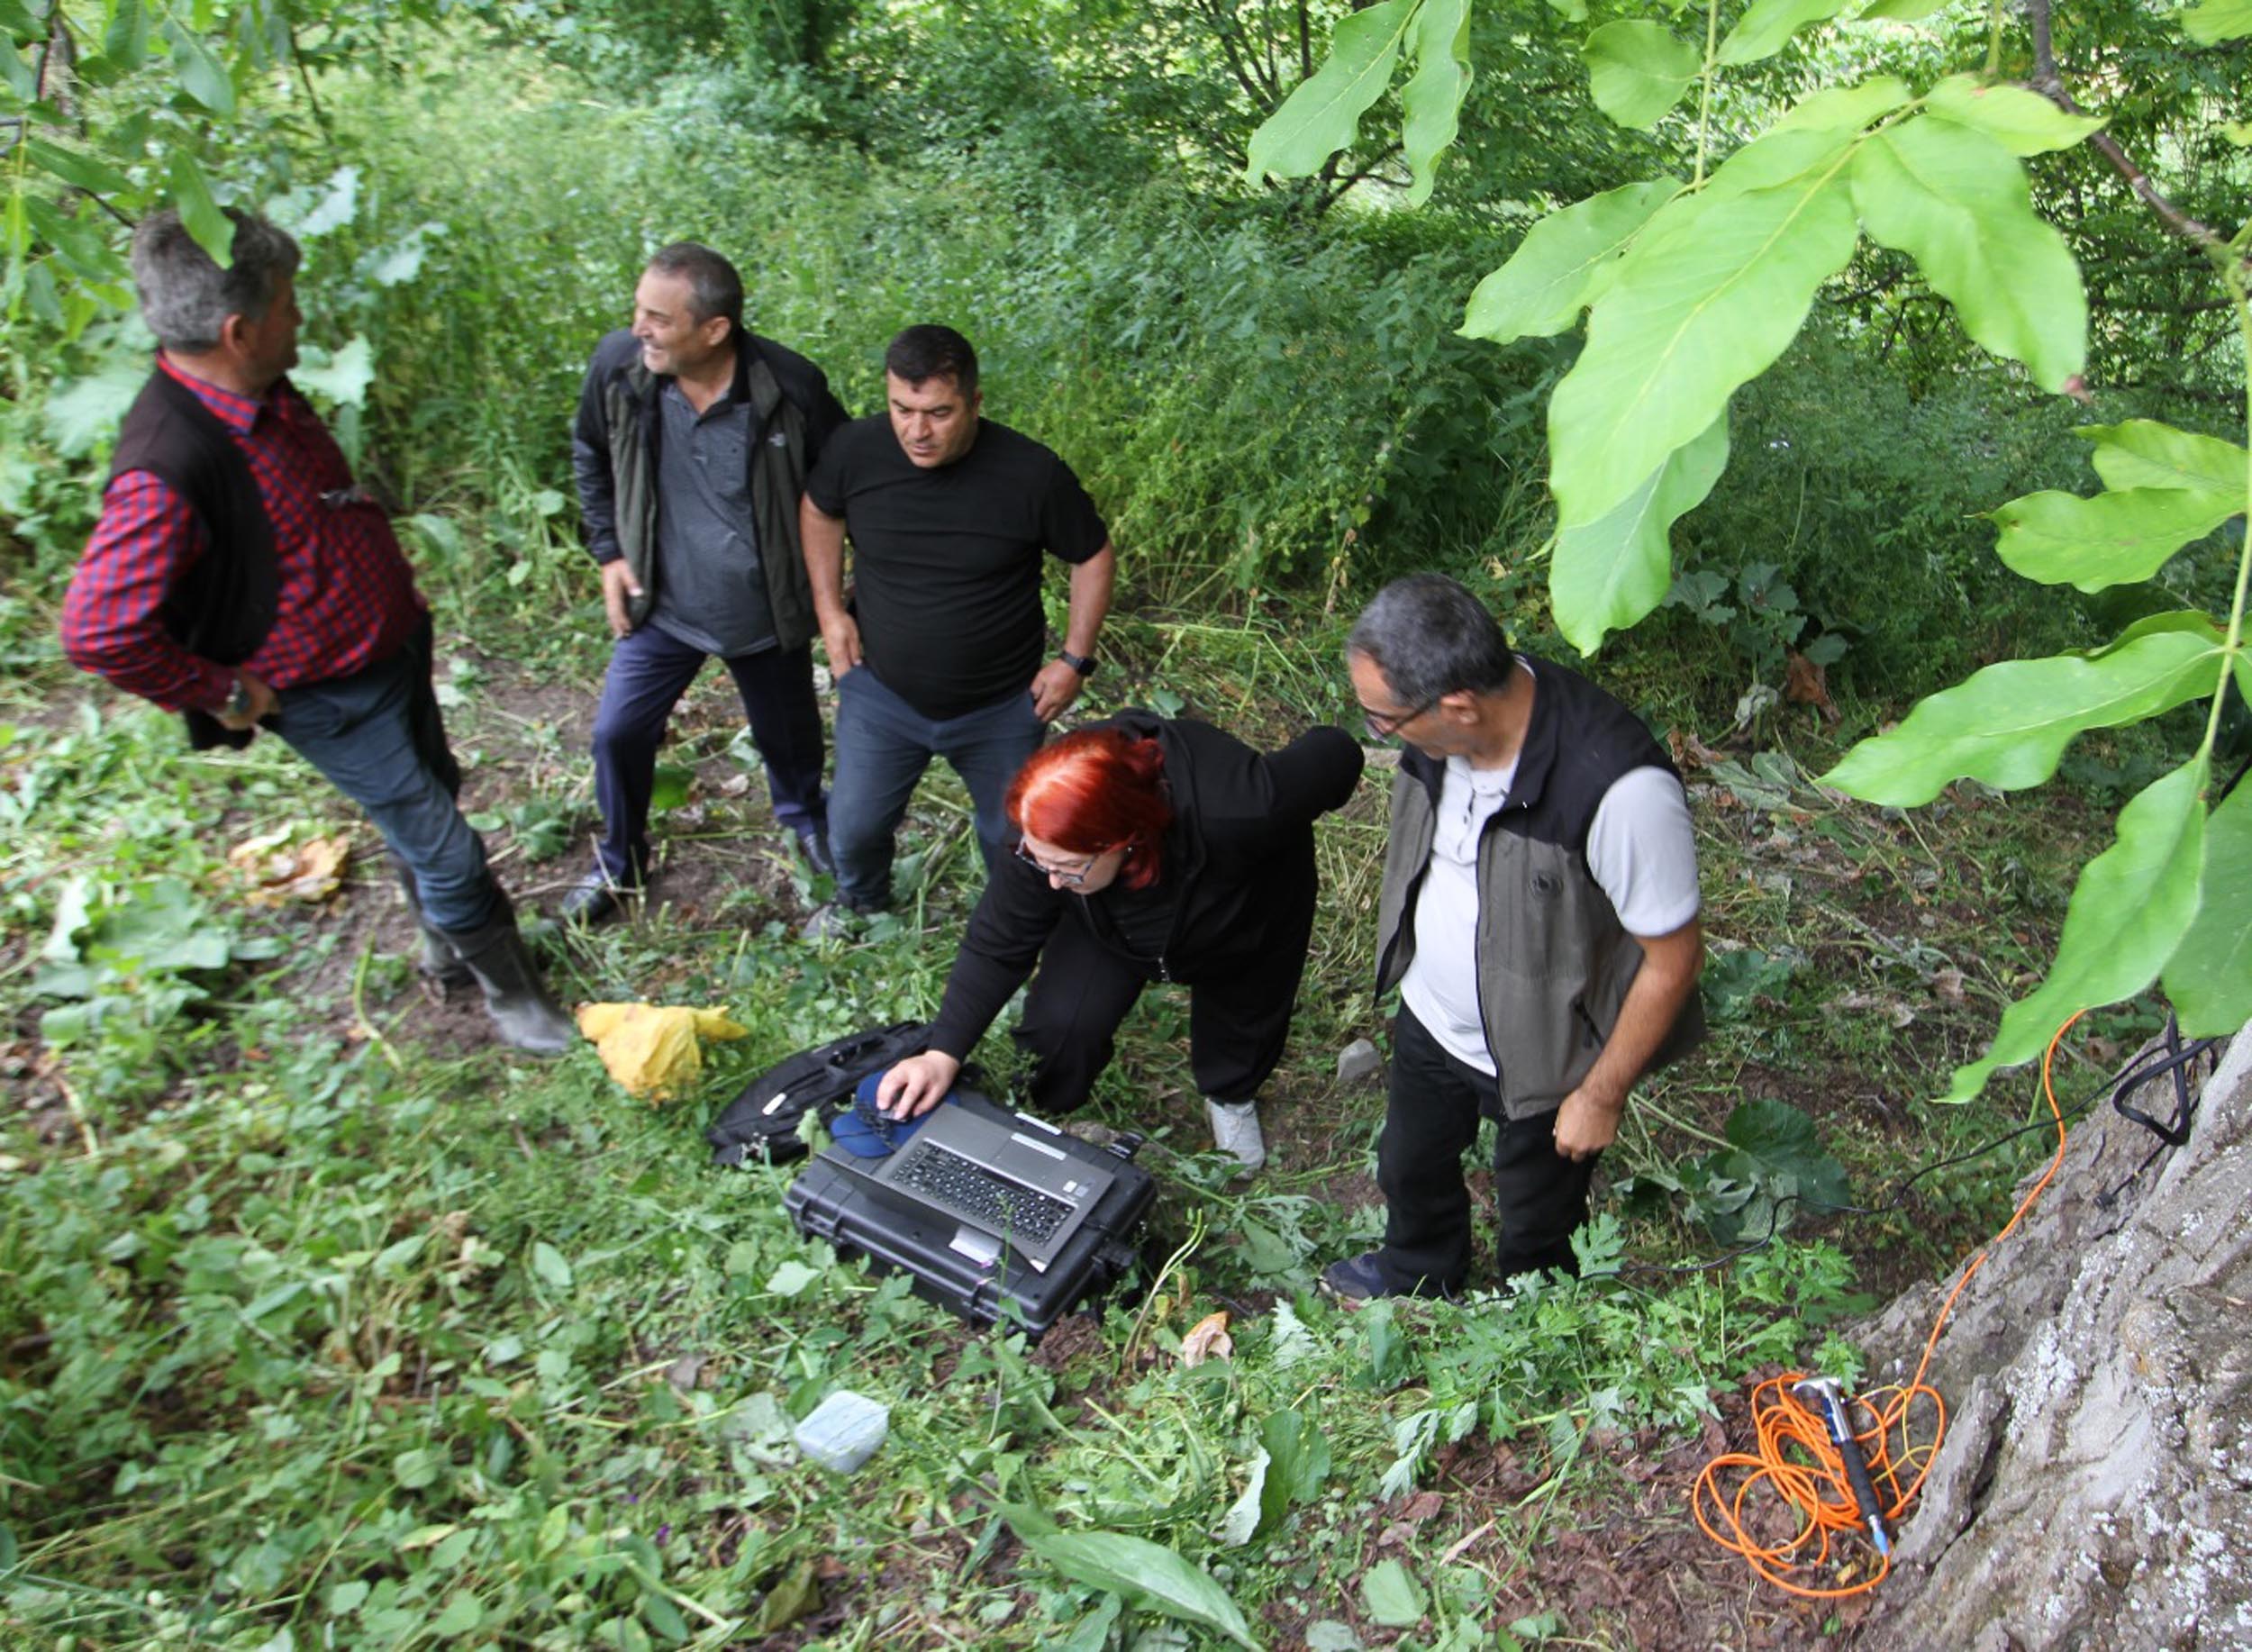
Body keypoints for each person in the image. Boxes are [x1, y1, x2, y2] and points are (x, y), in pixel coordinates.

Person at [59, 208, 575, 1055]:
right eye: (289, 306)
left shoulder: (254, 387)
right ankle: (512, 995)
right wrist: (223, 692)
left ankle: (447, 951)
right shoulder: (169, 464)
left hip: (388, 649)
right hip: (325, 694)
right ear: (238, 330)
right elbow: (99, 629)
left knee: (427, 801)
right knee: (447, 847)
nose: (301, 320)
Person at [1321, 575, 1705, 1299]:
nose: (1378, 734)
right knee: (1409, 1163)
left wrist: (1601, 1094)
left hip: (1551, 1051)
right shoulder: (1440, 738)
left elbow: (1674, 961)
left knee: (1539, 1213)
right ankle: (1418, 1271)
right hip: (1433, 1017)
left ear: (1460, 707)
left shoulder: (1618, 790)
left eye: (1383, 721)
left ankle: (1533, 1314)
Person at [874, 714, 1364, 1173]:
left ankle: (1230, 1096)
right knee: (1060, 1027)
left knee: (1242, 1020)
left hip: (1243, 914)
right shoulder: (1042, 828)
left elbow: (1335, 752)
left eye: (1066, 867)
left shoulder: (1244, 806)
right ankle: (1045, 1108)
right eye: (1040, 862)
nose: (1050, 882)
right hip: (1108, 920)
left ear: (1124, 839)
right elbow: (998, 940)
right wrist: (943, 1052)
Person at [564, 242, 849, 923]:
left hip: (764, 607)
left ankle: (808, 824)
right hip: (661, 603)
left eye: (658, 318)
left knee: (788, 732)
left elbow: (842, 486)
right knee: (616, 734)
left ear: (714, 330)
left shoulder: (788, 387)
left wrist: (843, 599)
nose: (639, 328)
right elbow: (589, 452)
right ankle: (621, 856)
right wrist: (609, 553)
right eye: (638, 310)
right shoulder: (621, 369)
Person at [799, 325, 1116, 934]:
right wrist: (830, 611)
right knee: (854, 827)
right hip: (882, 692)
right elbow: (819, 509)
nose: (917, 431)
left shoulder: (1030, 473)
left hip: (1000, 704)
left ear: (975, 403)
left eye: (939, 413)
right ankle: (862, 907)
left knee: (1011, 836)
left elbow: (1093, 555)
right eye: (903, 410)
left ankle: (1012, 930)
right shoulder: (855, 452)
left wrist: (1074, 660)